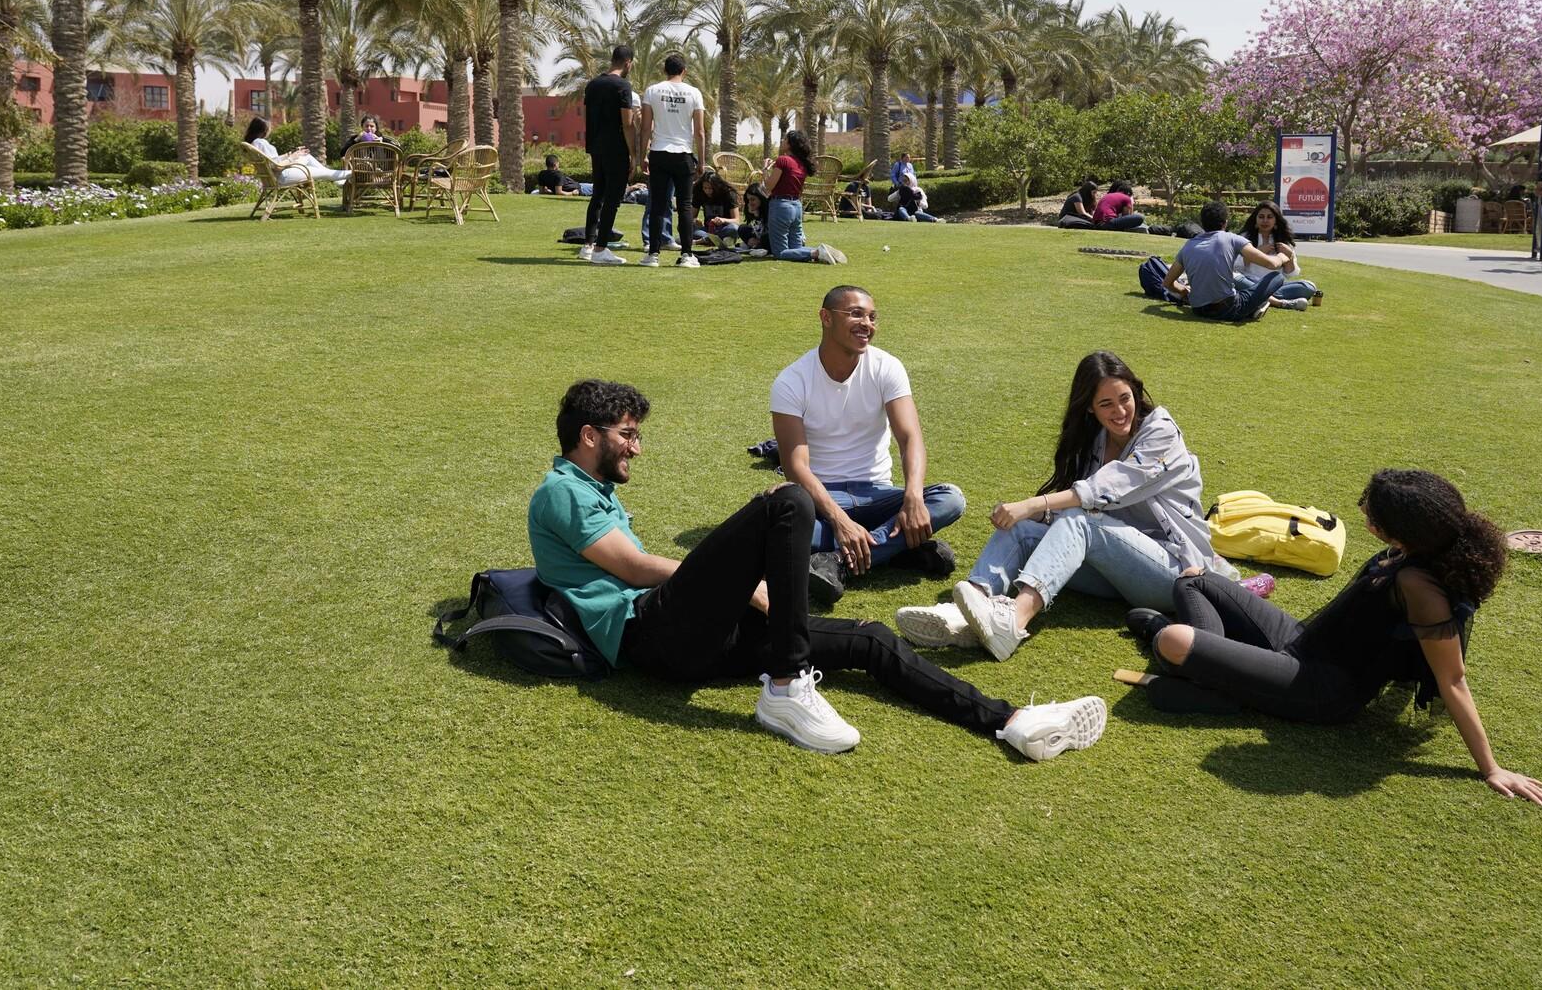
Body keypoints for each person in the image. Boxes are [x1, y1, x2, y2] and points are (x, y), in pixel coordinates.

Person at [528, 379, 1106, 760]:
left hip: (690, 638)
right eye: (627, 435)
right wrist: (745, 587)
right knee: (787, 500)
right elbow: (631, 569)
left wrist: (743, 592)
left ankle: (1011, 723)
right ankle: (785, 685)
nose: (636, 448)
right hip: (645, 636)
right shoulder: (563, 490)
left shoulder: (592, 488)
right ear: (588, 436)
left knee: (870, 640)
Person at [1126, 468, 1542, 808]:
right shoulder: (1409, 550)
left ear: (1403, 528)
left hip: (1317, 687)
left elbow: (1453, 680)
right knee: (1194, 581)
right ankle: (1211, 675)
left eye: (1374, 514)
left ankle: (1209, 677)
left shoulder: (1422, 589)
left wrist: (1492, 769)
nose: (1365, 515)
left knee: (1174, 640)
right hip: (1302, 640)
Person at [896, 351, 1247, 661]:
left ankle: (1013, 622)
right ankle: (968, 607)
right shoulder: (1095, 440)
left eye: (1125, 398)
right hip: (1118, 566)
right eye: (1106, 404)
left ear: (1137, 393)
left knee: (1081, 519)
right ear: (1091, 409)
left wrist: (1032, 503)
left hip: (1173, 574)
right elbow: (1073, 510)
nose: (1120, 410)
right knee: (1022, 528)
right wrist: (1030, 513)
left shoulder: (1162, 431)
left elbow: (1104, 491)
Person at [771, 285, 963, 604]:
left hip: (877, 493)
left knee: (950, 499)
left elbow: (909, 437)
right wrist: (840, 519)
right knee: (779, 529)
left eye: (873, 317)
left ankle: (838, 562)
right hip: (822, 498)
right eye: (856, 314)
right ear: (826, 318)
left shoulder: (887, 367)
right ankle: (899, 549)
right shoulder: (791, 381)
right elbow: (796, 467)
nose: (867, 324)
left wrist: (913, 497)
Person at [1159, 201, 1291, 323]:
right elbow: (1271, 264)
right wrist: (1284, 256)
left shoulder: (1188, 245)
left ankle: (1256, 306)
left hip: (1198, 309)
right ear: (1225, 223)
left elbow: (1167, 282)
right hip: (1229, 308)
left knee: (1242, 287)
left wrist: (1184, 292)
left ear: (1202, 223)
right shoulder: (1233, 239)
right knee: (1276, 277)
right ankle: (1255, 307)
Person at [638, 54, 707, 269]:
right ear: (684, 71)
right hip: (683, 153)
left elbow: (646, 128)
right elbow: (700, 132)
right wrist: (702, 162)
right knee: (685, 205)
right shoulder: (694, 92)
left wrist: (642, 155)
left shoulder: (652, 90)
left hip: (659, 152)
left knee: (658, 205)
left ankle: (653, 255)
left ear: (664, 70)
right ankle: (687, 254)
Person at [581, 46, 640, 266]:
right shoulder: (622, 86)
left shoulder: (593, 84)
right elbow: (627, 123)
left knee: (598, 195)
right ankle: (601, 248)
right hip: (616, 149)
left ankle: (588, 245)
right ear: (628, 63)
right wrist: (633, 154)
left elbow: (587, 118)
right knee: (613, 199)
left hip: (596, 146)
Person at [758, 129, 846, 265]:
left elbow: (768, 186)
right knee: (796, 248)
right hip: (796, 207)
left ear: (790, 144)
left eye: (785, 139)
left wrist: (765, 169)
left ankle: (817, 252)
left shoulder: (783, 160)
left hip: (781, 206)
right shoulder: (802, 164)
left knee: (780, 252)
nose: (782, 141)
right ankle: (822, 251)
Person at [1236, 201, 1323, 309]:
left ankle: (1262, 298)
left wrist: (1290, 256)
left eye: (1269, 217)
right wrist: (1257, 252)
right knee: (1234, 280)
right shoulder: (1244, 238)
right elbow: (1235, 264)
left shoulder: (1282, 240)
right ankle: (1280, 302)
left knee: (1309, 287)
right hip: (1250, 281)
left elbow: (1290, 274)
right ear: (1255, 219)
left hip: (1275, 286)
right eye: (1261, 217)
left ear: (1276, 220)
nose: (1265, 220)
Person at [243, 117, 350, 185]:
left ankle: (338, 178)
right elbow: (277, 166)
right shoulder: (261, 143)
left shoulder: (255, 143)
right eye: (269, 128)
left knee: (305, 156)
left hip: (278, 175)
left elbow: (273, 161)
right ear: (263, 130)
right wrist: (292, 157)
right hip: (282, 177)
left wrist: (291, 153)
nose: (270, 129)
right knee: (324, 172)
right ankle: (350, 174)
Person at [692, 168, 741, 246]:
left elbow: (737, 221)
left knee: (734, 229)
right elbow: (692, 216)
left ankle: (703, 240)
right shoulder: (699, 193)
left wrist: (723, 220)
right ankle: (718, 240)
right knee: (686, 227)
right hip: (708, 230)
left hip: (725, 228)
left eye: (711, 188)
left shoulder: (728, 193)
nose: (708, 191)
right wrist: (695, 221)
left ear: (717, 186)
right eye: (705, 188)